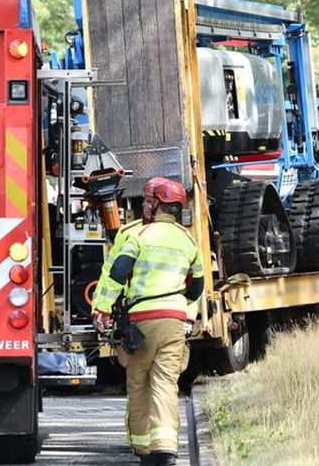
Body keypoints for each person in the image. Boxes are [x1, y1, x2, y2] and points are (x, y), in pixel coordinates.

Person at [92, 177, 205, 466]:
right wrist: (181, 304)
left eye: (146, 200)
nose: (144, 205)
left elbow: (117, 272)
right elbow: (197, 287)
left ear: (156, 204)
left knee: (139, 380)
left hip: (142, 321)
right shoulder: (188, 241)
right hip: (174, 322)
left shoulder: (139, 236)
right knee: (166, 383)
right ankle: (165, 447)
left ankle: (143, 447)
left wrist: (102, 307)